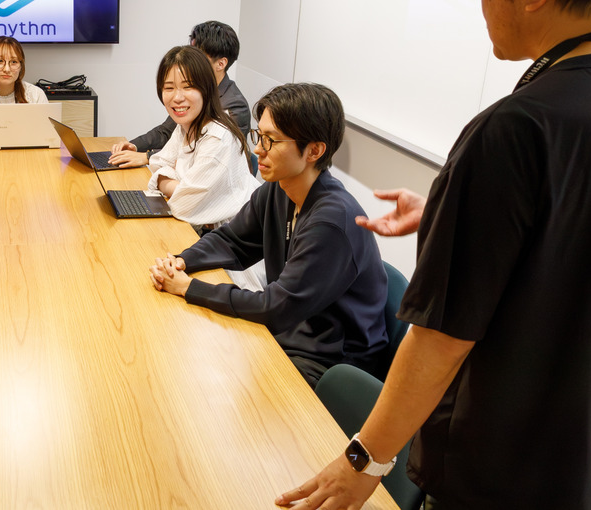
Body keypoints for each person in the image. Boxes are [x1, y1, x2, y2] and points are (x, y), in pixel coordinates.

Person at [277, 1, 591, 508]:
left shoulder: (517, 125)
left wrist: (363, 463)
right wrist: (453, 208)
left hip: (506, 471)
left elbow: (438, 340)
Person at [149, 83, 388, 387]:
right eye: (258, 136)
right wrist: (182, 261)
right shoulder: (279, 189)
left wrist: (188, 288)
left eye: (271, 140)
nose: (258, 149)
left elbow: (276, 308)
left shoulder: (332, 222)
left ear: (314, 151)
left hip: (330, 364)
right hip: (292, 335)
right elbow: (232, 241)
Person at [142, 45, 259, 232]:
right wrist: (178, 185)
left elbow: (184, 205)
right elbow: (157, 164)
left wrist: (172, 183)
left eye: (188, 87)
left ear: (206, 89)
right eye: (169, 88)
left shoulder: (217, 137)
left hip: (228, 239)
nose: (177, 97)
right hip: (198, 229)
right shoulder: (186, 126)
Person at [109, 21, 252, 168]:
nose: (190, 61)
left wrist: (147, 157)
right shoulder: (190, 95)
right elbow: (166, 131)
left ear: (221, 64)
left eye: (199, 57)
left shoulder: (235, 105)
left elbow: (203, 155)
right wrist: (133, 146)